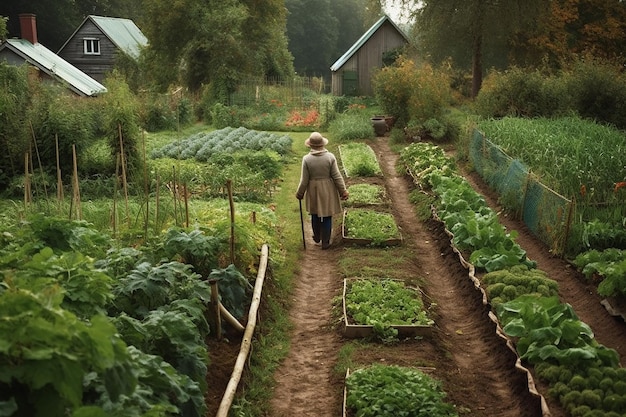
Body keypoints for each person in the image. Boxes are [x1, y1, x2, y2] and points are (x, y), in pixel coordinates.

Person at [296, 132, 349, 249]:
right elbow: (337, 176)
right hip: (327, 189)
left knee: (314, 214)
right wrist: (343, 191)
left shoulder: (307, 159)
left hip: (313, 189)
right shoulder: (330, 157)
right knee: (327, 215)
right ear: (322, 144)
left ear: (310, 145)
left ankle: (317, 236)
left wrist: (300, 193)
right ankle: (325, 242)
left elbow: (304, 180)